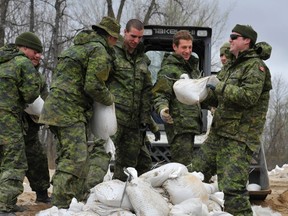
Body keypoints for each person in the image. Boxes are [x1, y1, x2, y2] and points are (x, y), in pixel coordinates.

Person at [189, 24, 272, 215]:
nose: (230, 40)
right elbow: (219, 98)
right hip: (219, 133)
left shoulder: (255, 67)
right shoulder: (232, 66)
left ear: (246, 41)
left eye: (234, 37)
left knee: (232, 189)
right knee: (196, 174)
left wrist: (219, 87)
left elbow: (248, 97)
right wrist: (199, 95)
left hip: (238, 138)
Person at [38, 16, 121, 208]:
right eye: (115, 39)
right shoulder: (98, 50)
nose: (116, 43)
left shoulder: (77, 48)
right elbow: (93, 85)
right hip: (69, 110)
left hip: (55, 108)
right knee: (75, 158)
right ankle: (60, 204)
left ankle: (68, 198)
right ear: (109, 37)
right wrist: (110, 100)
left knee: (69, 156)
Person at [0, 32, 43, 215]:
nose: (38, 56)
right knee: (14, 162)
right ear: (24, 47)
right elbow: (30, 95)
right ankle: (4, 207)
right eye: (35, 51)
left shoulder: (2, 60)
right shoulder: (22, 63)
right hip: (7, 119)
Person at [107, 19, 153, 181]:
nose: (136, 41)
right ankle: (89, 194)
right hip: (113, 117)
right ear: (125, 32)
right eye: (133, 36)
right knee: (102, 155)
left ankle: (118, 194)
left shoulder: (142, 59)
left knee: (127, 164)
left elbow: (147, 90)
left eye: (139, 38)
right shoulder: (112, 53)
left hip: (133, 122)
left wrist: (145, 118)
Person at [152, 30, 202, 166]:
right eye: (184, 47)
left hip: (191, 125)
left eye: (190, 47)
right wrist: (163, 109)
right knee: (182, 167)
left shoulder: (193, 69)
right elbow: (160, 93)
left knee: (190, 167)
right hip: (179, 127)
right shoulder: (169, 70)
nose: (187, 51)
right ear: (175, 47)